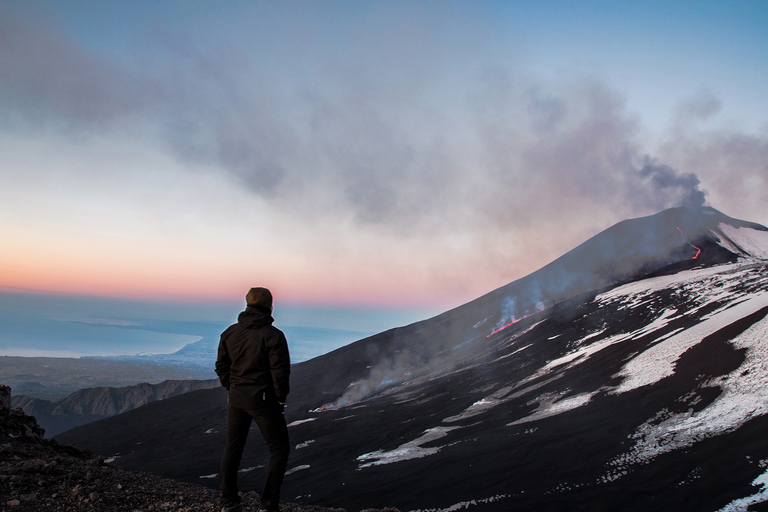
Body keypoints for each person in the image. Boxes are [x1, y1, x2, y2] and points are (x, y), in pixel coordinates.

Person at [215, 287, 291, 512]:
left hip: (237, 399)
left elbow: (221, 366)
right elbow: (280, 372)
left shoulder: (230, 333)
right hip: (264, 401)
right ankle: (268, 505)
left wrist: (233, 387)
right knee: (279, 449)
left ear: (247, 305)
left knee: (233, 447)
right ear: (269, 306)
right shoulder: (273, 335)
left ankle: (228, 502)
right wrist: (280, 398)